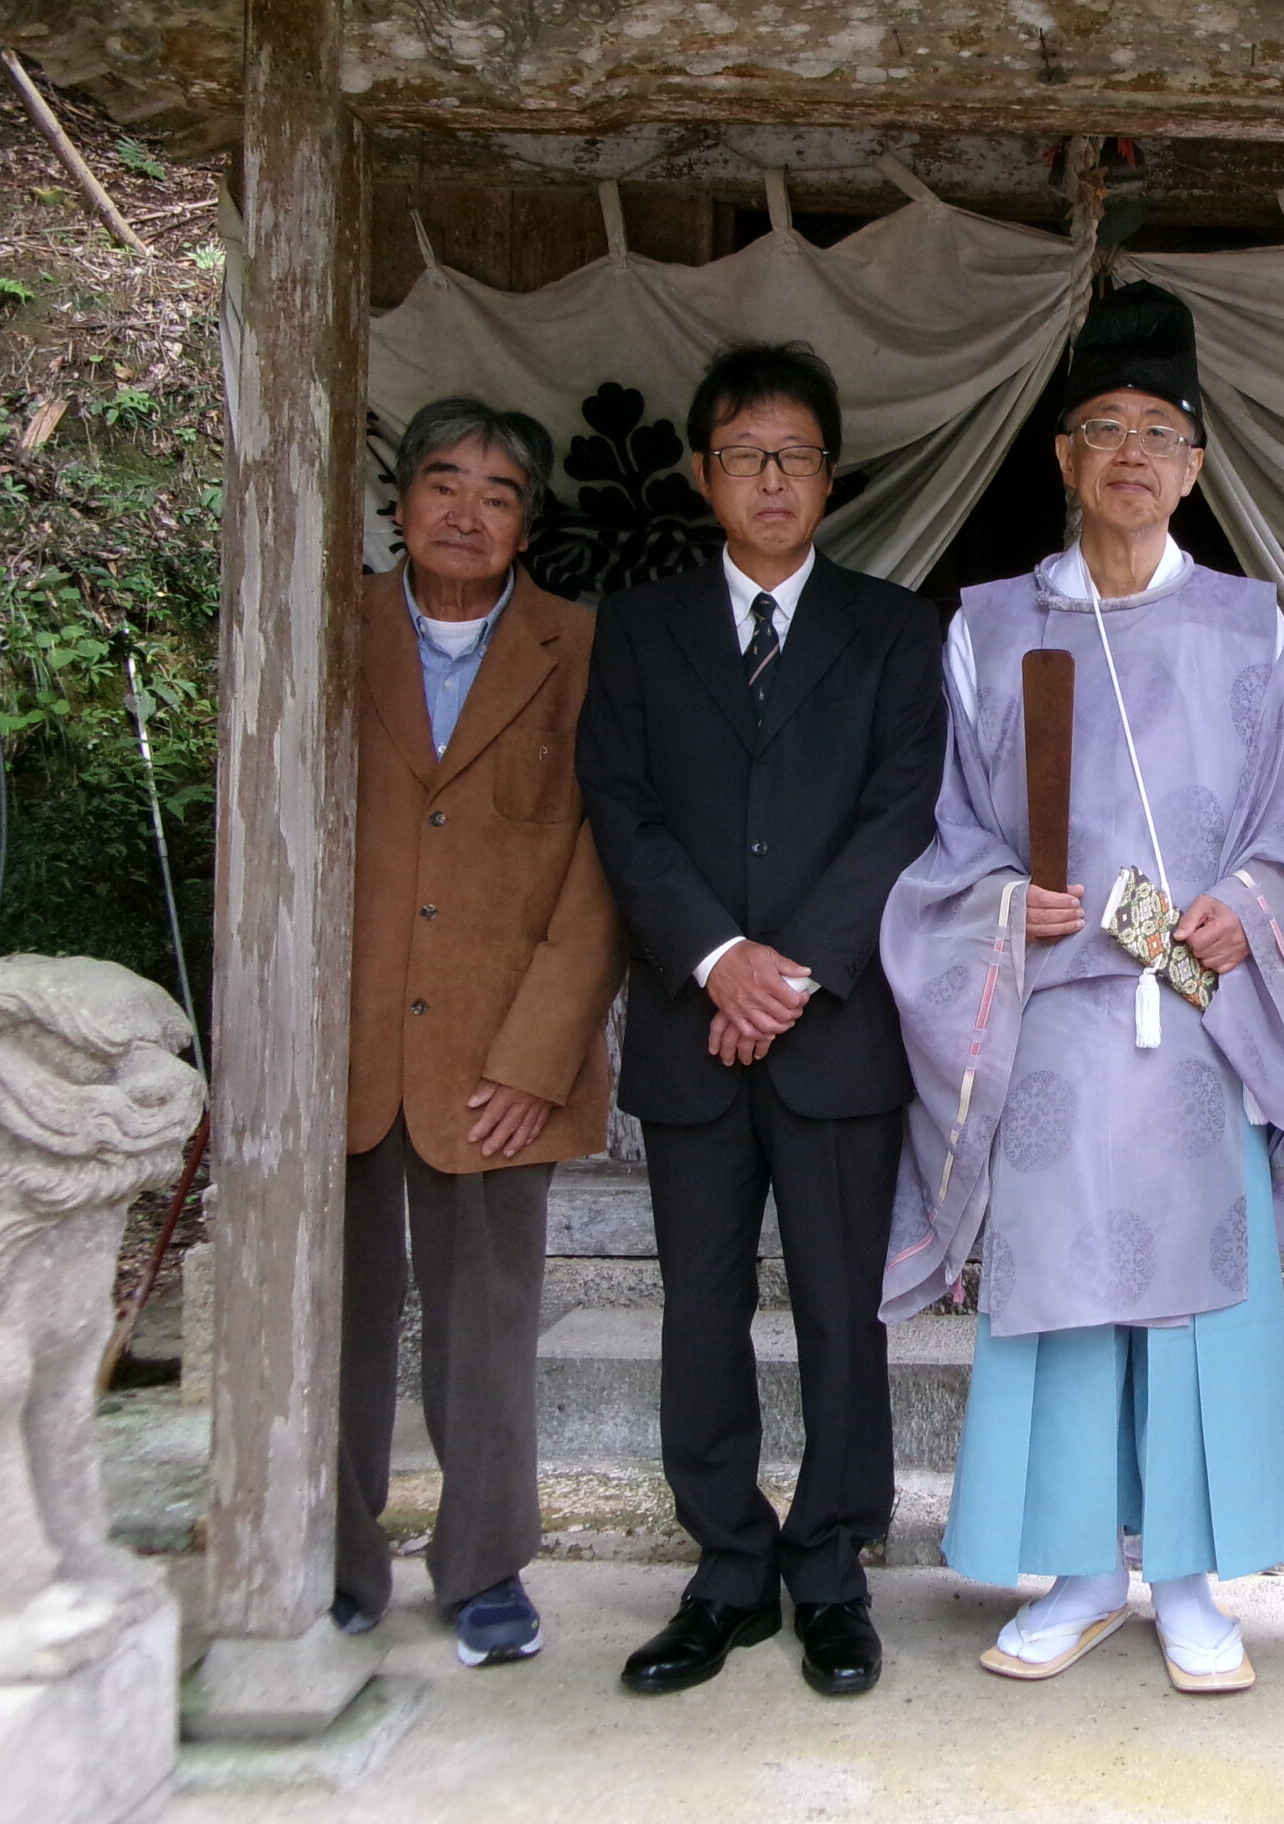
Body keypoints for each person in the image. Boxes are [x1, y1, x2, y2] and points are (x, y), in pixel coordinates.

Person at [880, 281, 1284, 1695]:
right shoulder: (984, 627)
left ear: (1198, 465)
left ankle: (1195, 1583)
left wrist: (1249, 903)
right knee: (1069, 1297)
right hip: (1060, 1018)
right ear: (1064, 457)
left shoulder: (1254, 627)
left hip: (1204, 1017)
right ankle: (1083, 1569)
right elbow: (950, 830)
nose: (1132, 454)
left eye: (1160, 431)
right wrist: (993, 905)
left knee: (1198, 1302)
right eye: (1104, 429)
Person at [576, 343, 946, 1697]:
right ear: (702, 475)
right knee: (701, 1311)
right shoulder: (640, 627)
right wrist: (717, 958)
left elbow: (905, 809)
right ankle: (727, 1566)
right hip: (692, 1026)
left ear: (830, 477)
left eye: (793, 455)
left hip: (836, 1033)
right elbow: (623, 805)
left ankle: (835, 1567)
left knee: (846, 1316)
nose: (771, 478)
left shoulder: (902, 630)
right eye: (744, 455)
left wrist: (788, 971)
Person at [337, 396, 624, 1668]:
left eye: (498, 493)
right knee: (326, 1316)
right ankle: (331, 1561)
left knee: (488, 1319)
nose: (466, 510)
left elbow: (603, 869)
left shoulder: (583, 649)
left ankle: (486, 1568)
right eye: (443, 483)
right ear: (398, 503)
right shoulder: (330, 629)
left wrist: (538, 1057)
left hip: (499, 1053)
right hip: (335, 1043)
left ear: (527, 523)